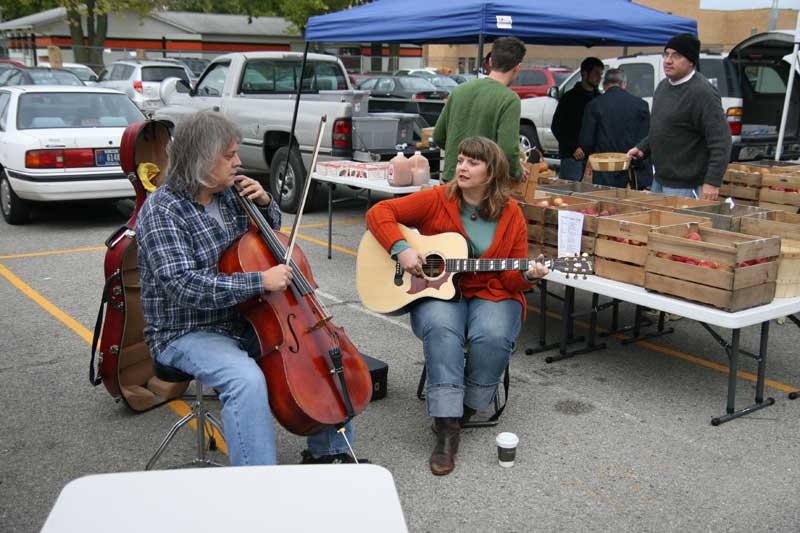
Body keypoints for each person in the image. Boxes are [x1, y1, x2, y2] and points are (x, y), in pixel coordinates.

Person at [136, 112, 357, 466]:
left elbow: (265, 246)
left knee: (321, 351)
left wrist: (266, 205)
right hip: (187, 330)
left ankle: (329, 455)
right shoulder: (163, 210)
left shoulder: (231, 194)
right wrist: (259, 282)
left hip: (244, 317)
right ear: (199, 158)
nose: (238, 162)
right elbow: (182, 284)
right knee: (245, 380)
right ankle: (256, 487)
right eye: (228, 155)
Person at [365, 137, 549, 476]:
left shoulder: (512, 215)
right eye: (461, 160)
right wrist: (401, 249)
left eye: (472, 162)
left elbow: (510, 279)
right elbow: (380, 212)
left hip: (491, 290)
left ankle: (466, 405)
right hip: (435, 290)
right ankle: (447, 427)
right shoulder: (438, 199)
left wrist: (528, 276)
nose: (462, 167)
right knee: (441, 327)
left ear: (491, 172)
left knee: (493, 334)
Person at [627, 33, 731, 200]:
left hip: (686, 187)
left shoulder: (702, 92)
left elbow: (721, 141)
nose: (668, 60)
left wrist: (712, 182)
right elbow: (665, 127)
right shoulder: (663, 87)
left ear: (691, 61)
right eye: (666, 54)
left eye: (676, 56)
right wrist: (643, 148)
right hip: (660, 181)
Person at [434, 36, 527, 183]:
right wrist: (517, 172)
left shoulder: (459, 90)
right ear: (517, 67)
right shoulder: (509, 99)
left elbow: (438, 136)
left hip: (451, 179)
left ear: (490, 62)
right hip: (481, 186)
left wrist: (458, 156)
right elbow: (508, 150)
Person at [579, 68, 652, 189]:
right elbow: (647, 139)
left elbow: (586, 141)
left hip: (604, 172)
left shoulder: (594, 105)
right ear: (624, 84)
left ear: (604, 85)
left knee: (605, 205)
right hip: (633, 171)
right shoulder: (641, 105)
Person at [551, 57, 604, 181]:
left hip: (593, 158)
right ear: (584, 73)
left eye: (601, 74)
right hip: (572, 157)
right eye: (596, 73)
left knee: (591, 195)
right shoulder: (569, 98)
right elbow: (557, 126)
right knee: (570, 193)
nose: (599, 77)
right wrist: (573, 147)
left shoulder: (600, 99)